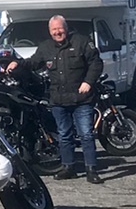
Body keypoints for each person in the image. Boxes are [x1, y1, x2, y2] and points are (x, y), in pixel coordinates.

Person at [6, 14, 105, 184]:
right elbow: (34, 63)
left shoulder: (82, 42)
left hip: (82, 98)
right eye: (54, 30)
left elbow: (96, 64)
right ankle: (68, 167)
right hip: (59, 99)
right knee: (64, 135)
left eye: (60, 29)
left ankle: (91, 169)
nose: (57, 32)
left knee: (86, 135)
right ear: (50, 32)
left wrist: (88, 82)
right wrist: (17, 63)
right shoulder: (46, 47)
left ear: (65, 28)